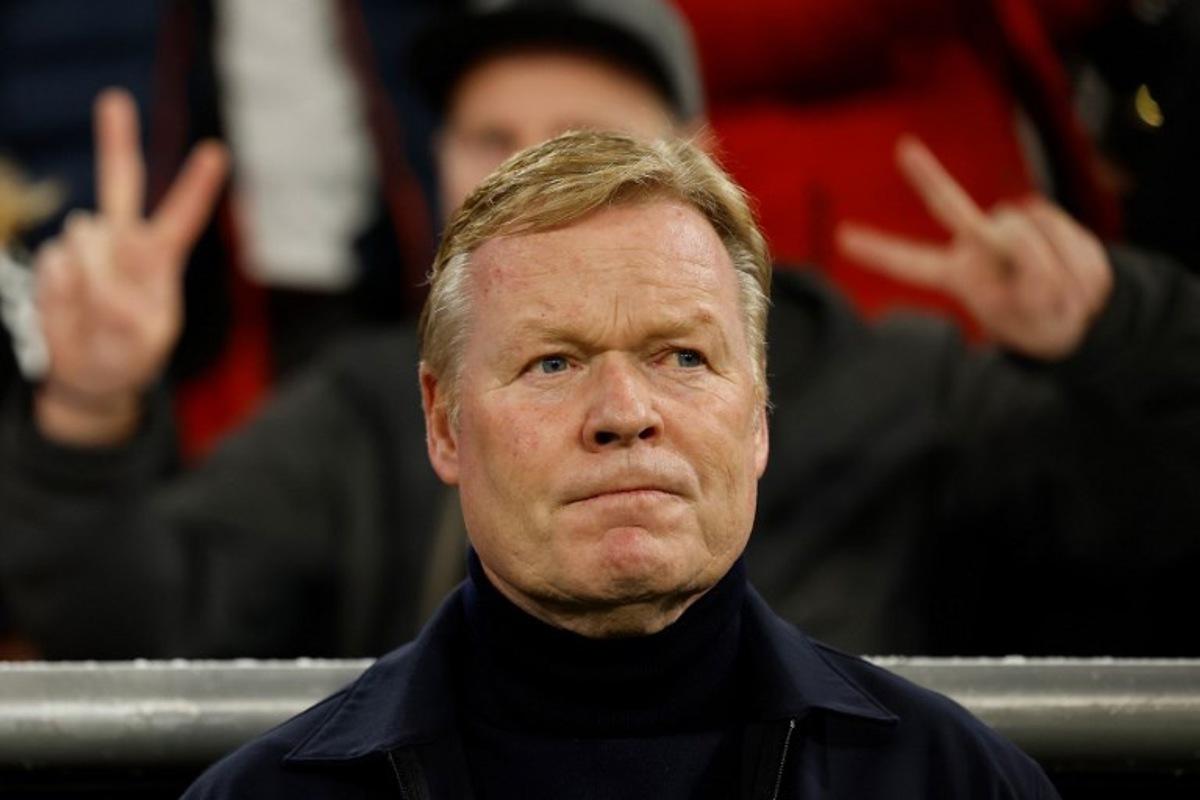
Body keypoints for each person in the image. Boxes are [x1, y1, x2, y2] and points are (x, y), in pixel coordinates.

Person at [2, 0, 1198, 660]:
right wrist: (90, 406)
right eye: (491, 135)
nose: (535, 168)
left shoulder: (897, 385)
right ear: (442, 423)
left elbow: (1149, 539)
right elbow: (146, 628)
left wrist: (1113, 328)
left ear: (701, 150)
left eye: (586, 132)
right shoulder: (366, 407)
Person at [182, 130, 1061, 799]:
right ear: (443, 424)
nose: (626, 415)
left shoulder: (958, 781)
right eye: (553, 363)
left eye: (681, 357)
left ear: (758, 416)